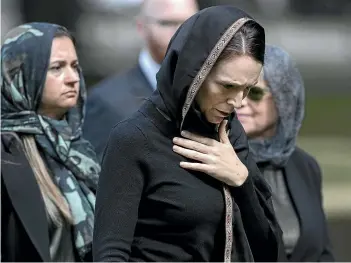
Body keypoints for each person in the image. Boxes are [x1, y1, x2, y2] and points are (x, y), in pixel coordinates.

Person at [93, 6, 285, 262]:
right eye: (227, 86)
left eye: (247, 89)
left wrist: (241, 180)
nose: (238, 102)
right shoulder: (134, 139)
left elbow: (269, 250)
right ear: (193, 73)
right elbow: (111, 254)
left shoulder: (229, 134)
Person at [1, 23, 100, 262]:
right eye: (57, 68)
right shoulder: (6, 153)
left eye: (75, 67)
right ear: (21, 74)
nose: (72, 78)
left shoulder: (78, 149)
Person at [236, 44, 335, 261]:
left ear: (284, 98)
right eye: (235, 89)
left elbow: (322, 251)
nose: (240, 102)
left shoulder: (305, 166)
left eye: (254, 92)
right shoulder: (222, 161)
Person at [83, 0, 199, 160]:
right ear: (141, 27)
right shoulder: (106, 102)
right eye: (167, 23)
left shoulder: (215, 93)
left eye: (190, 23)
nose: (181, 32)